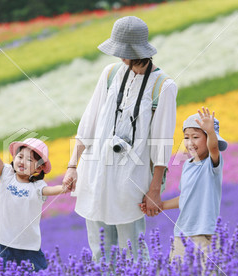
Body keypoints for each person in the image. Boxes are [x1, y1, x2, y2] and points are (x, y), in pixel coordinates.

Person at [62, 16, 177, 261]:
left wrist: (155, 189)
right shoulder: (111, 73)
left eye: (122, 51)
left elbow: (162, 144)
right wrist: (73, 166)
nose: (119, 57)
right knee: (99, 249)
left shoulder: (163, 86)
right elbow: (89, 122)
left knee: (133, 251)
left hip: (131, 180)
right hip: (95, 173)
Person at [0, 118, 69, 270]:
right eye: (20, 157)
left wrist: (64, 187)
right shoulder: (7, 174)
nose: (22, 162)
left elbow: (51, 190)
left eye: (29, 160)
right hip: (3, 241)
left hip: (27, 245)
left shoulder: (37, 187)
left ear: (38, 169)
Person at [141, 107, 228, 261]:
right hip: (182, 232)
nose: (190, 143)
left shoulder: (211, 165)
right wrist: (159, 205)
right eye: (186, 137)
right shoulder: (187, 165)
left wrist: (211, 132)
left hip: (204, 233)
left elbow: (213, 148)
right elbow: (185, 198)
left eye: (195, 137)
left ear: (209, 138)